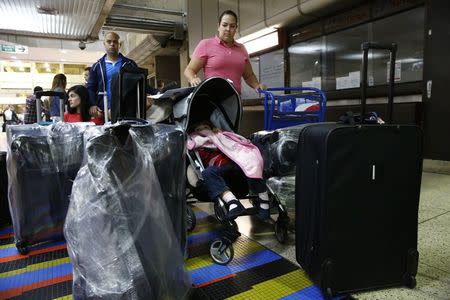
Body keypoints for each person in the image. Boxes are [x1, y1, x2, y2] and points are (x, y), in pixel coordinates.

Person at [187, 120, 270, 220]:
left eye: (205, 128)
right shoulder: (200, 147)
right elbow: (197, 153)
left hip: (236, 166)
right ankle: (233, 203)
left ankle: (265, 205)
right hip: (222, 173)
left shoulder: (222, 135)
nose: (203, 130)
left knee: (250, 161)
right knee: (207, 172)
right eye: (199, 130)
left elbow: (237, 144)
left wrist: (219, 135)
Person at [184, 10, 265, 95]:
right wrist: (193, 79)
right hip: (212, 101)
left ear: (236, 28)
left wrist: (257, 85)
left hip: (235, 100)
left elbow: (249, 76)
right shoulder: (206, 44)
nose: (228, 29)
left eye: (232, 26)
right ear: (218, 26)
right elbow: (189, 70)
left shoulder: (242, 49)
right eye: (224, 25)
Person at [87, 31, 158, 121]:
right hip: (104, 110)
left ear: (119, 45)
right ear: (104, 44)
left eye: (115, 42)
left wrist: (157, 93)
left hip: (126, 108)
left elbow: (141, 83)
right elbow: (90, 88)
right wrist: (93, 104)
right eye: (109, 41)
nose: (112, 44)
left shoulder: (130, 64)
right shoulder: (97, 66)